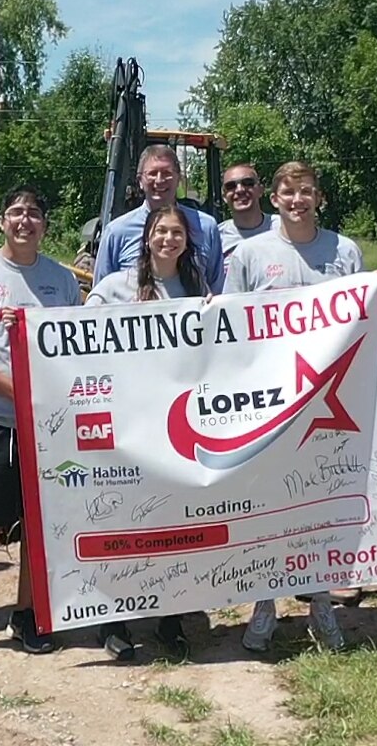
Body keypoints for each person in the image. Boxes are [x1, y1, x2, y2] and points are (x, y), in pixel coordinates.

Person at [225, 161, 363, 652]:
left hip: (331, 402)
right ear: (275, 199)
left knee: (319, 504)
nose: (297, 200)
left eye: (306, 192)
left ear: (318, 198)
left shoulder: (344, 252)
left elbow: (362, 327)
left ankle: (322, 605)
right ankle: (263, 606)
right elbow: (230, 327)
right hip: (268, 403)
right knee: (267, 506)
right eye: (288, 192)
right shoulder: (249, 254)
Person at [0, 186, 82, 664]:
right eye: (16, 213)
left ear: (44, 225)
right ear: (1, 222)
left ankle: (28, 614)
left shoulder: (62, 280)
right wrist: (19, 394)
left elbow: (76, 345)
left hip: (48, 426)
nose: (25, 221)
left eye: (34, 213)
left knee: (39, 530)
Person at [86, 205, 207, 661]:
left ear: (187, 242)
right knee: (120, 521)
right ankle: (112, 619)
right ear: (147, 238)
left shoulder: (198, 289)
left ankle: (170, 617)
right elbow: (71, 333)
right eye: (161, 231)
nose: (169, 239)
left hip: (176, 428)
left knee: (172, 524)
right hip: (123, 425)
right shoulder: (114, 287)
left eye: (177, 232)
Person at [94, 145, 226, 294]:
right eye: (152, 173)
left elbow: (218, 292)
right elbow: (101, 297)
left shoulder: (206, 227)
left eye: (167, 173)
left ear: (179, 179)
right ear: (140, 181)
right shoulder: (116, 232)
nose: (159, 180)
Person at [216, 162, 273, 260]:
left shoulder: (283, 227)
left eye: (247, 183)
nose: (240, 190)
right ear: (224, 197)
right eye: (231, 186)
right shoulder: (216, 237)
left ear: (260, 190)